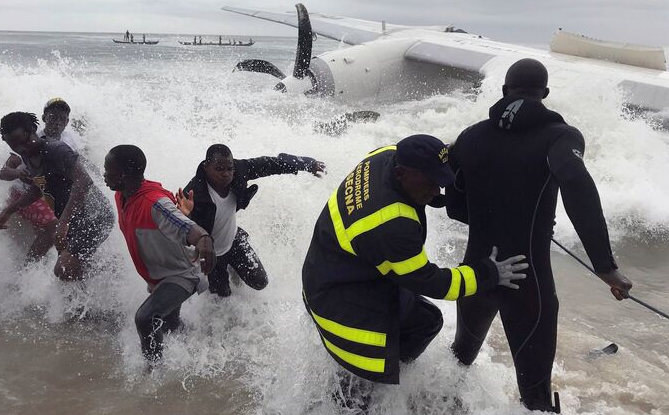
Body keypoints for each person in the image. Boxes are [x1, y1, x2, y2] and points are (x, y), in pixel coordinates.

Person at [445, 58, 633, 415]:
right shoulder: (560, 136)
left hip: (476, 272)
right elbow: (578, 186)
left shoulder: (470, 136)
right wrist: (604, 265)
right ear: (544, 95)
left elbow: (454, 202)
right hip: (526, 280)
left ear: (504, 91)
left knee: (460, 357)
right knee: (535, 397)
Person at [302, 135, 528, 386]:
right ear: (401, 175)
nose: (437, 190)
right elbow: (433, 283)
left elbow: (438, 167)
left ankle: (385, 378)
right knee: (362, 394)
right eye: (431, 182)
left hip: (331, 267)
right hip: (341, 301)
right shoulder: (391, 225)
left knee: (426, 320)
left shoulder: (385, 154)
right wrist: (488, 273)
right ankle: (367, 392)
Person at [104, 145, 215, 363]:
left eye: (108, 170)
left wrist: (204, 239)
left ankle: (154, 374)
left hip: (182, 275)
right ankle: (200, 347)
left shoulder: (155, 203)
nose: (104, 175)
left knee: (145, 318)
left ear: (123, 175)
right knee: (171, 327)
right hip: (162, 276)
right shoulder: (121, 196)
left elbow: (186, 226)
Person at [178, 144, 326, 297]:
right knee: (221, 297)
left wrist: (308, 164)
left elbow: (269, 164)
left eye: (229, 168)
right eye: (219, 169)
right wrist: (186, 215)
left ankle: (236, 257)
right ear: (206, 167)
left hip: (233, 240)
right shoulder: (193, 192)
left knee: (260, 282)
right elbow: (177, 228)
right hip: (211, 252)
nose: (226, 174)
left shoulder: (239, 170)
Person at [0, 112, 114, 281]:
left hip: (95, 216)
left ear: (34, 130)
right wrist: (8, 211)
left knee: (63, 269)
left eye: (24, 140)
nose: (21, 148)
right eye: (14, 145)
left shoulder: (56, 149)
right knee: (70, 274)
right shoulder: (28, 155)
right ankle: (95, 295)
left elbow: (84, 181)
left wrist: (62, 223)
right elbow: (39, 188)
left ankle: (108, 283)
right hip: (73, 220)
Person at [0, 98, 79, 261]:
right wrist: (19, 174)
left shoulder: (68, 141)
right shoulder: (28, 140)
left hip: (45, 194)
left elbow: (76, 170)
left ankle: (51, 271)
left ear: (67, 121)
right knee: (55, 226)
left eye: (62, 118)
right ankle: (28, 270)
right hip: (23, 193)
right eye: (53, 117)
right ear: (43, 118)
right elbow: (4, 172)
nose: (57, 122)